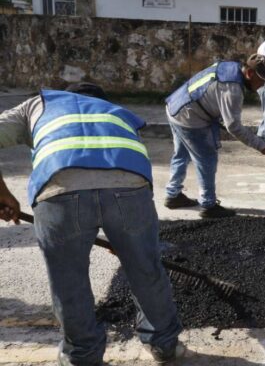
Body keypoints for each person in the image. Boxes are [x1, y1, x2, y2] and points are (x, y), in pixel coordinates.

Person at [0, 83, 184, 365]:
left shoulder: (37, 105)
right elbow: (112, 171)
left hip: (60, 190)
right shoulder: (116, 112)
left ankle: (83, 355)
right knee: (146, 269)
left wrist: (2, 192)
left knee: (69, 281)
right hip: (129, 189)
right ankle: (165, 345)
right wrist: (125, 240)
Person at [164, 54, 265, 217]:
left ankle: (173, 195)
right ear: (250, 74)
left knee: (181, 154)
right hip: (190, 117)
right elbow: (234, 127)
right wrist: (261, 145)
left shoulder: (231, 67)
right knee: (206, 159)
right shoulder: (233, 89)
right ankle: (208, 205)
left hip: (176, 106)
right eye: (261, 80)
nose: (263, 84)